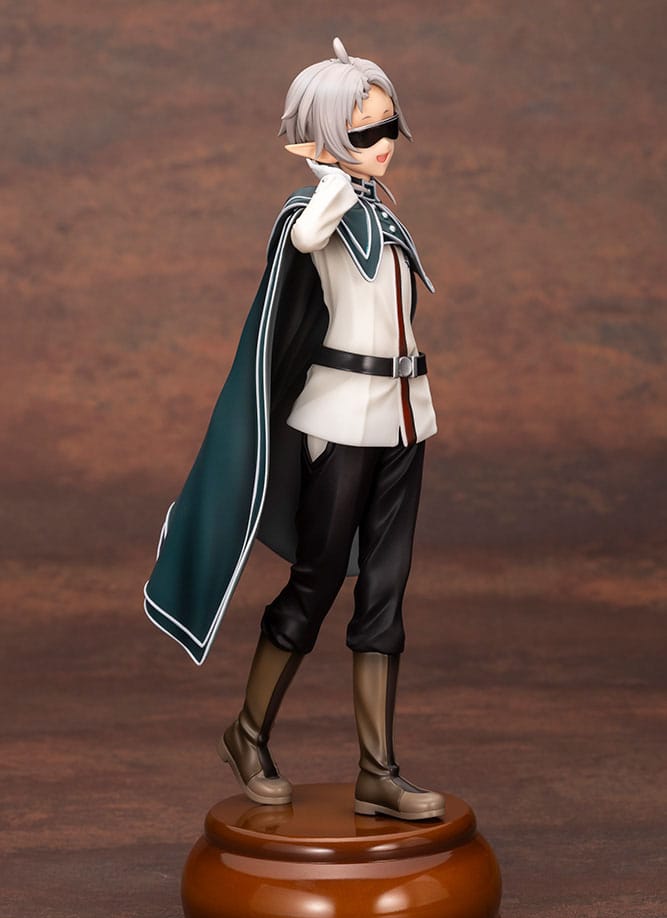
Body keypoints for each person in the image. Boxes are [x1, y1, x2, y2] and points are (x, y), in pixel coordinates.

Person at [145, 38, 445, 821]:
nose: (383, 144)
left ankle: (377, 772)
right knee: (315, 583)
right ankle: (246, 734)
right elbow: (305, 238)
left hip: (404, 417)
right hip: (341, 418)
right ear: (324, 138)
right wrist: (328, 179)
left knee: (384, 593)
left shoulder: (381, 214)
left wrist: (348, 178)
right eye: (363, 132)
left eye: (388, 127)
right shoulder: (318, 210)